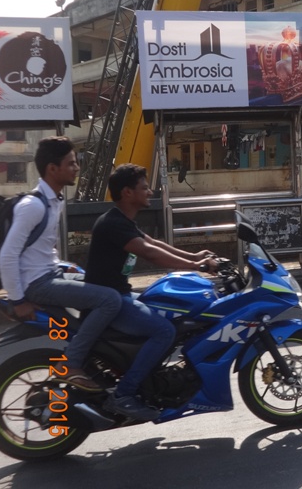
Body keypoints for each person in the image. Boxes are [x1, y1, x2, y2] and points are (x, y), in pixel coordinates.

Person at [84, 163, 218, 421]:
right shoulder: (114, 223)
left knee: (171, 313)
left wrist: (194, 255)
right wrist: (196, 265)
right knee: (163, 330)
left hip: (120, 295)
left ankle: (149, 381)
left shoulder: (122, 220)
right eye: (144, 187)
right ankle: (124, 394)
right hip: (110, 301)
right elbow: (149, 253)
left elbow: (153, 243)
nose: (150, 191)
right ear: (127, 193)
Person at [0, 136, 122, 392]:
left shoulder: (53, 200)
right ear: (52, 169)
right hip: (38, 285)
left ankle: (103, 359)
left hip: (50, 274)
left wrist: (65, 266)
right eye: (71, 163)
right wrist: (18, 300)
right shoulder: (33, 206)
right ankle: (73, 363)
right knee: (109, 299)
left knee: (111, 286)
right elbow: (7, 255)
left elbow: (41, 250)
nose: (76, 168)